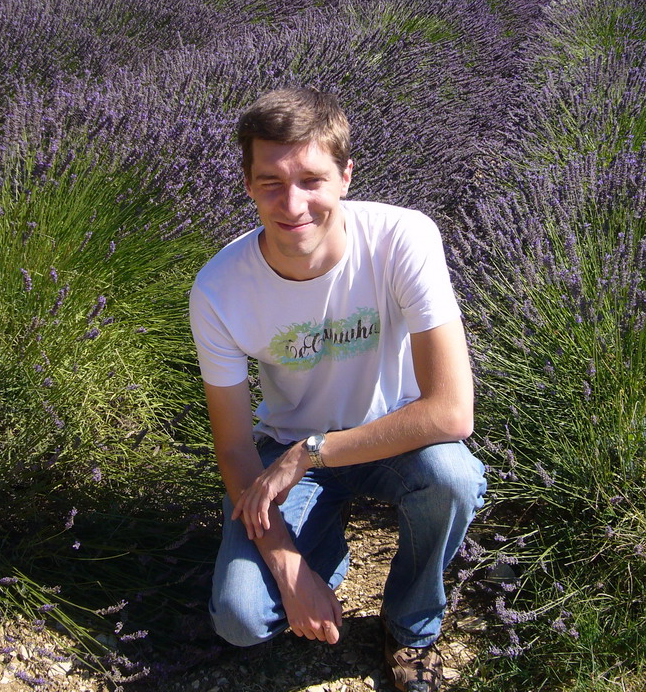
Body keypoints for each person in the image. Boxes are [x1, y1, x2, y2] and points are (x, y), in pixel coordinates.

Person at [188, 88, 487, 692]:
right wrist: (289, 564)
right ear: (247, 184)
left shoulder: (403, 238)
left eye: (312, 179)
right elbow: (236, 451)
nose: (292, 203)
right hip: (285, 453)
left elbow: (452, 413)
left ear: (347, 176)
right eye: (270, 181)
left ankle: (410, 626)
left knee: (454, 476)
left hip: (390, 438)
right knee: (242, 620)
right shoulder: (219, 290)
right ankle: (321, 550)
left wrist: (313, 451)